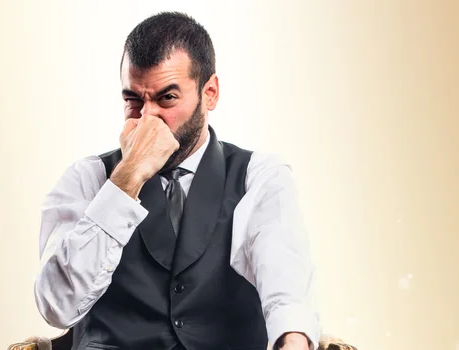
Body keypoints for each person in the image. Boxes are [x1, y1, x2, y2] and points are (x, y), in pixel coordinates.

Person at [34, 11, 321, 350]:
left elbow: (286, 284)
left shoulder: (259, 176)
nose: (148, 118)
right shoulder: (88, 178)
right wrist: (126, 181)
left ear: (210, 93)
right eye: (133, 101)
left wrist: (294, 339)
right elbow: (57, 306)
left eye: (167, 98)